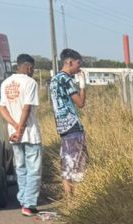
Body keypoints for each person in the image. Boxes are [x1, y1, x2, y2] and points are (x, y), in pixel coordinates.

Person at [0, 53, 42, 216]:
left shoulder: (6, 83)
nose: (32, 71)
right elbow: (27, 107)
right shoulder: (30, 82)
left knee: (21, 168)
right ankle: (29, 204)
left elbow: (1, 108)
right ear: (29, 67)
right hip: (29, 134)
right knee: (33, 169)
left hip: (14, 134)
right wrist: (21, 129)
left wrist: (14, 126)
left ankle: (23, 200)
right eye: (32, 68)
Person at [50, 48, 87, 198]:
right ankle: (77, 200)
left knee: (66, 165)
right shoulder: (66, 79)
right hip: (73, 125)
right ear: (70, 62)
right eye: (78, 64)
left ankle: (68, 199)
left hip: (62, 126)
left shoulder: (53, 80)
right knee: (78, 166)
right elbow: (80, 103)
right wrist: (83, 86)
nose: (79, 68)